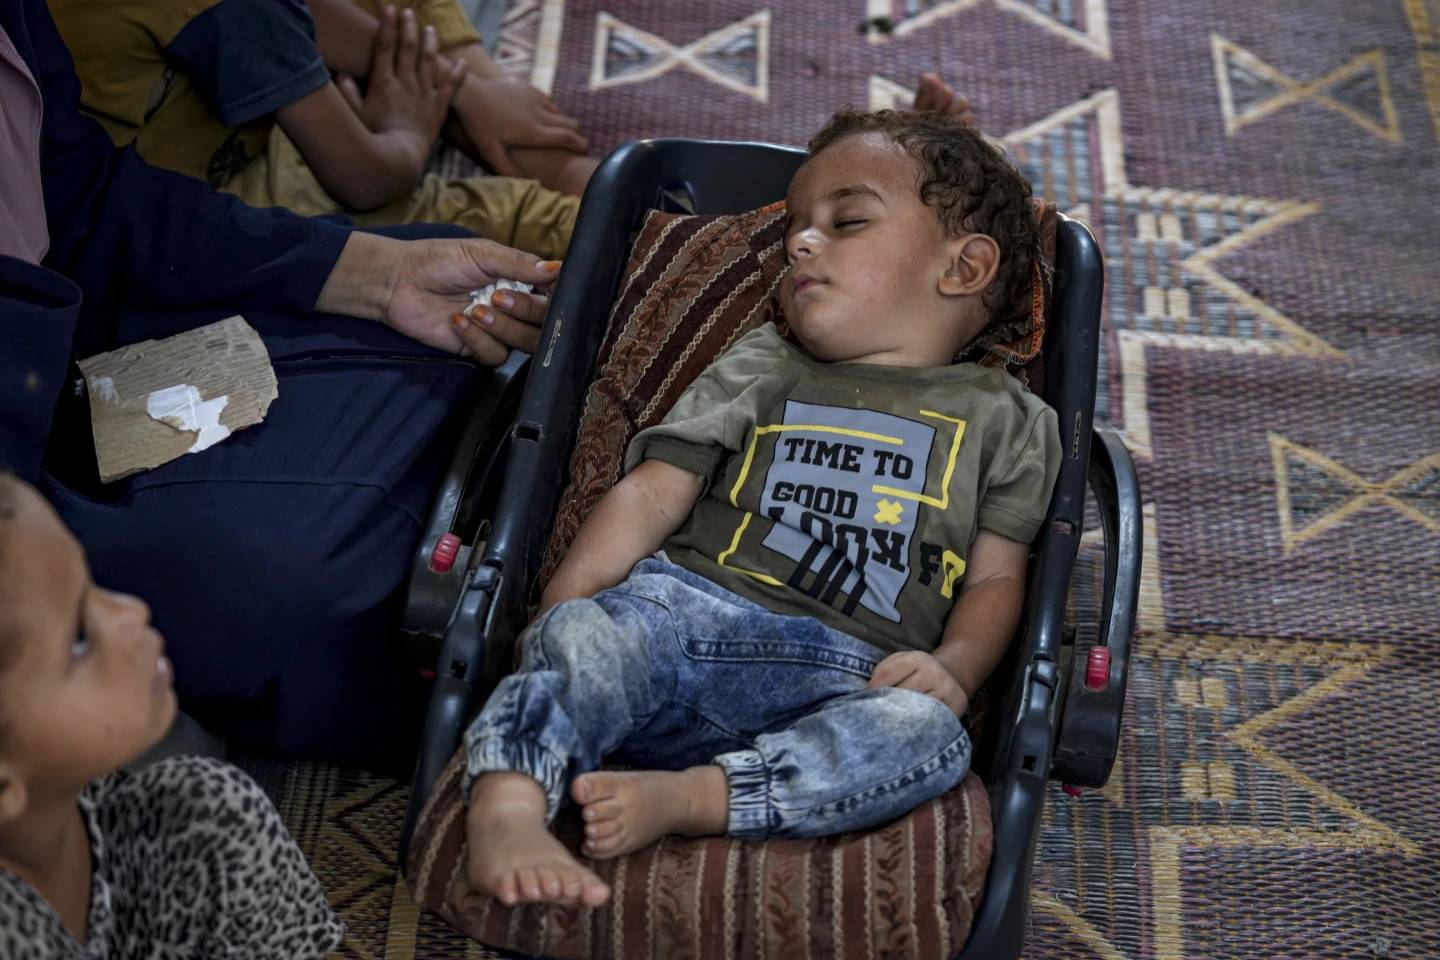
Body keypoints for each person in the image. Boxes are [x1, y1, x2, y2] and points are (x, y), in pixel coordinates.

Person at [459, 107, 1061, 909]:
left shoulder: (1012, 421)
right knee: (583, 635)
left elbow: (994, 580)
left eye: (846, 221)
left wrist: (954, 669)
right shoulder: (764, 363)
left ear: (962, 268)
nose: (803, 243)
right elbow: (650, 491)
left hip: (850, 678)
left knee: (927, 739)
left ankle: (695, 799)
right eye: (795, 235)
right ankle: (508, 803)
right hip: (688, 622)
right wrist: (563, 609)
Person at [1, 0, 557, 769]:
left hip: (56, 359)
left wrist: (370, 273)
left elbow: (82, 198)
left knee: (441, 328)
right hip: (22, 480)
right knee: (298, 588)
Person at [0, 473, 344, 958]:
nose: (132, 611)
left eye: (93, 583)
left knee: (211, 804)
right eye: (79, 638)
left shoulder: (152, 816)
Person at [48, 0, 585, 261]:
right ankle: (529, 151)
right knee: (521, 221)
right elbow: (368, 178)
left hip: (200, 103)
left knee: (403, 28)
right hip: (183, 211)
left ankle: (485, 112)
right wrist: (408, 132)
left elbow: (299, 15)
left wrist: (460, 89)